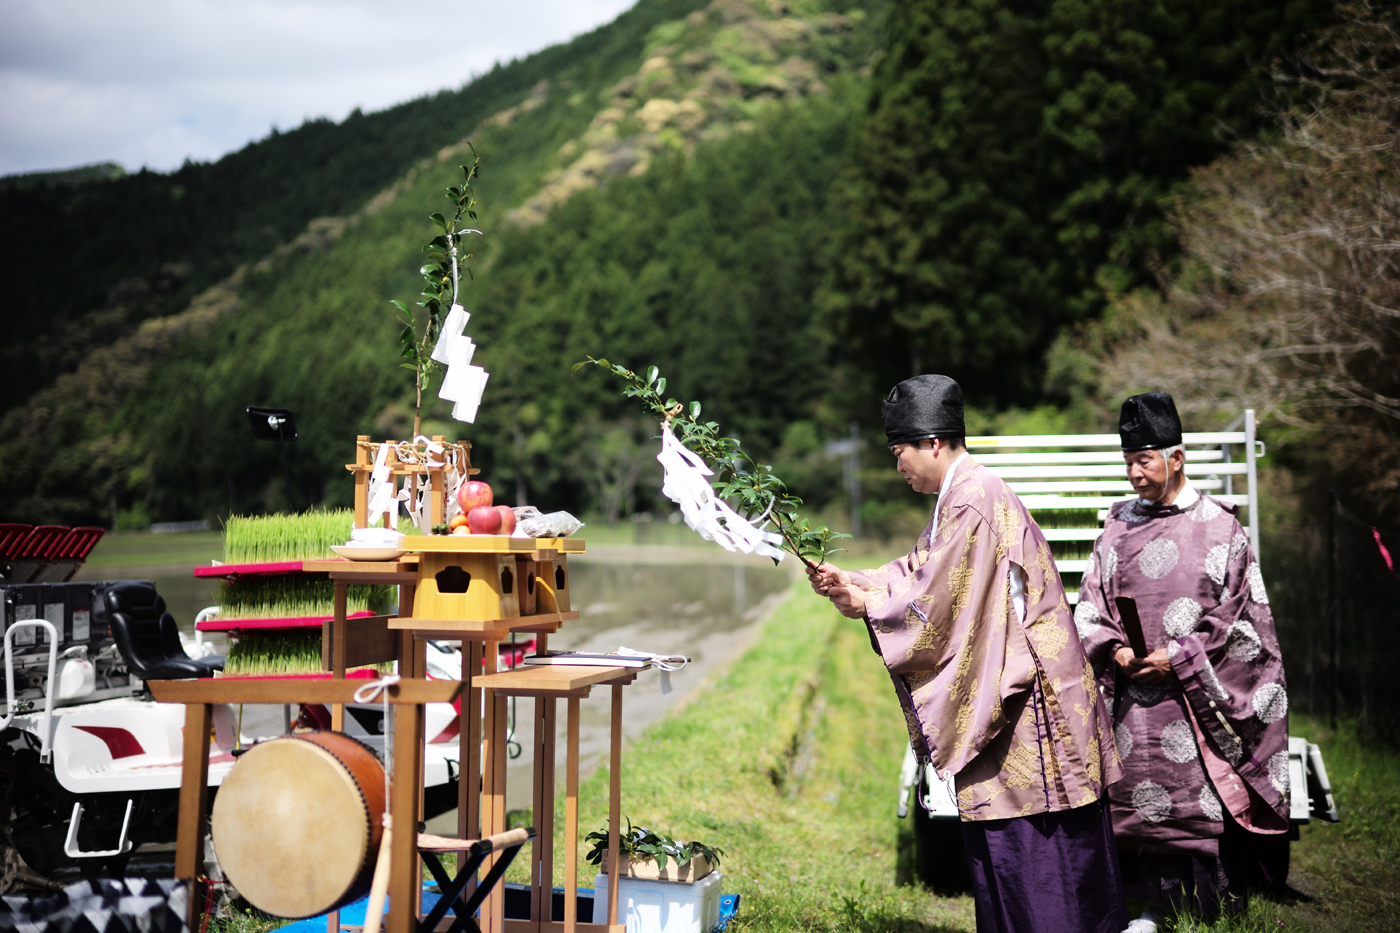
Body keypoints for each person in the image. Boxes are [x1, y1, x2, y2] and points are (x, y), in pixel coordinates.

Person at [809, 374, 1126, 933]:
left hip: (1032, 711)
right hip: (1021, 696)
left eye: (899, 451)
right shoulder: (962, 494)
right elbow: (919, 570)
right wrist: (851, 578)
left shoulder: (975, 497)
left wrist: (867, 606)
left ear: (933, 442)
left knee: (1037, 857)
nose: (897, 465)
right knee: (1012, 857)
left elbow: (938, 598)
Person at [1075, 392, 1290, 932]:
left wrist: (1179, 657)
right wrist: (1116, 648)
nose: (1134, 474)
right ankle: (1142, 906)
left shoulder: (1221, 528)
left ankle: (1210, 905)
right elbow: (1091, 604)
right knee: (1131, 798)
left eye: (1143, 460)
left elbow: (1243, 622)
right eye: (1127, 461)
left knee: (1201, 803)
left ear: (1177, 457)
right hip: (1129, 699)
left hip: (1196, 699)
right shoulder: (1116, 527)